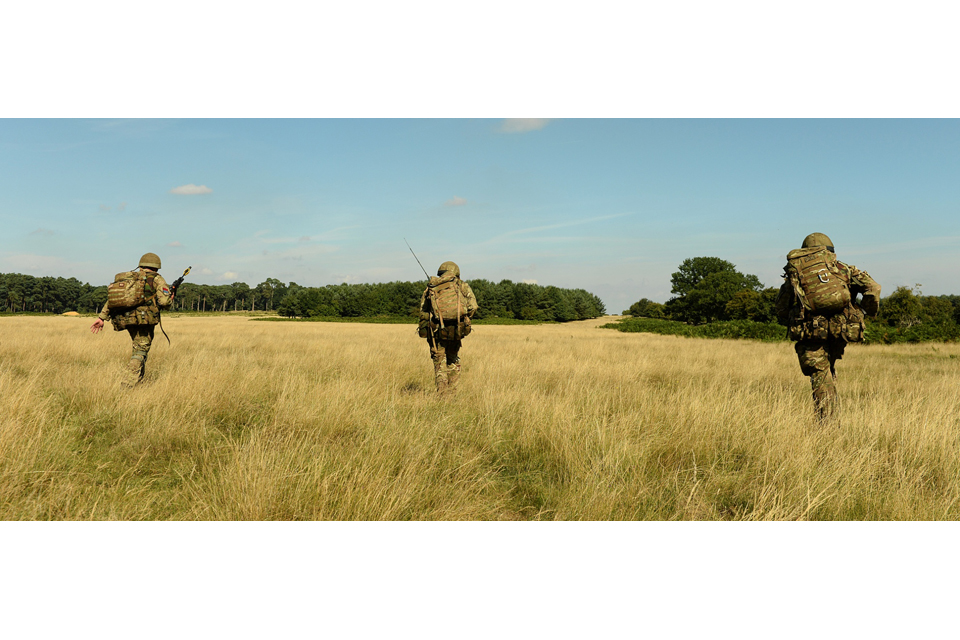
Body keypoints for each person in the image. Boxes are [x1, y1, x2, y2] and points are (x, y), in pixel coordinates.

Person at [775, 233, 881, 424]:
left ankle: (827, 425)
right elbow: (873, 288)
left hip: (810, 333)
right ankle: (831, 416)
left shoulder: (797, 273)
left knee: (820, 374)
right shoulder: (843, 269)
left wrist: (792, 318)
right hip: (840, 332)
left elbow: (781, 308)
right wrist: (867, 312)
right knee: (828, 371)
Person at [90, 252, 175, 388]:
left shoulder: (129, 279)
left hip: (127, 319)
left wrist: (101, 318)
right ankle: (127, 384)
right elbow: (164, 302)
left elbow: (112, 300)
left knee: (139, 349)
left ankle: (138, 383)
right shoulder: (157, 279)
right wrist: (171, 298)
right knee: (141, 350)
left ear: (141, 265)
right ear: (157, 266)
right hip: (144, 321)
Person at [418, 261, 479, 394]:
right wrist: (464, 318)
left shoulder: (432, 286)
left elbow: (423, 310)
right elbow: (473, 306)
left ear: (440, 272)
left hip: (436, 331)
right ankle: (453, 393)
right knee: (453, 359)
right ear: (456, 272)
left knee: (439, 362)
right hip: (456, 329)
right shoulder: (461, 285)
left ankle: (442, 395)